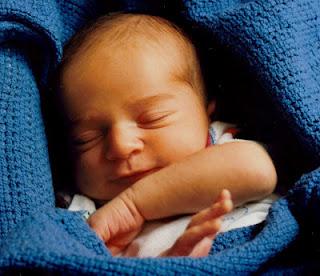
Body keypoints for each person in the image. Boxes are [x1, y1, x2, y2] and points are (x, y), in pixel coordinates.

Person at [57, 13, 277, 257]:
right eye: (86, 139)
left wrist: (133, 205)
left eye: (153, 118)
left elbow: (258, 171)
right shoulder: (87, 216)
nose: (120, 145)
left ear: (206, 116)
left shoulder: (222, 149)